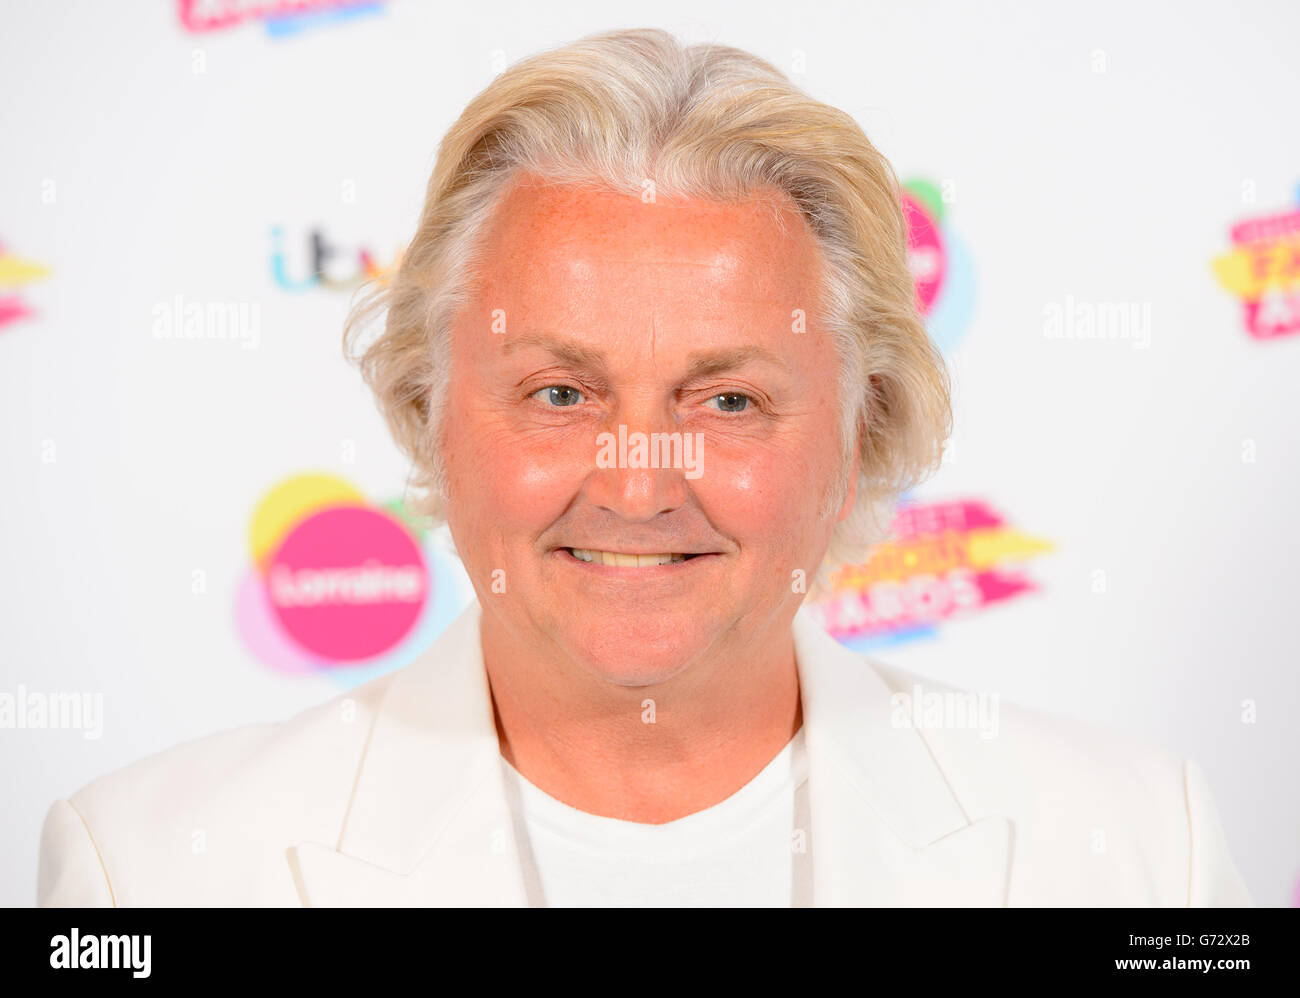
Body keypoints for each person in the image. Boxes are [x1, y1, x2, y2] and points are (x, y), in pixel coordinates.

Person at [38, 27, 1251, 907]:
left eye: (728, 398)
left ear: (858, 434)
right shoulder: (149, 869)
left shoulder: (1140, 850)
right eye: (559, 393)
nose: (635, 481)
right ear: (430, 411)